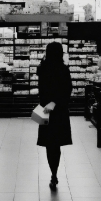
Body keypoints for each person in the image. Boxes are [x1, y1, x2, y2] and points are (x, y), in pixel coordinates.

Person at [37, 41, 73, 190]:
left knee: (49, 144)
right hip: (59, 111)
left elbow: (41, 91)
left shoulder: (42, 69)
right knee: (56, 144)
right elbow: (67, 90)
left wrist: (48, 102)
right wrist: (56, 102)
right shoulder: (64, 70)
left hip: (45, 110)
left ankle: (53, 173)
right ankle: (54, 173)